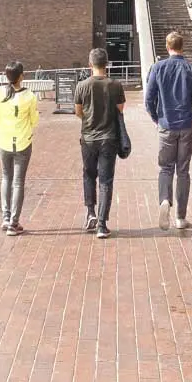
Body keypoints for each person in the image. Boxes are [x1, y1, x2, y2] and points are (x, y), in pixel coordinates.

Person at [145, 31, 192, 231]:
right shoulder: (191, 69)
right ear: (183, 47)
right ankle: (181, 218)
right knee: (182, 170)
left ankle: (164, 200)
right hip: (186, 126)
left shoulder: (158, 68)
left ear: (167, 46)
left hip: (166, 125)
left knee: (165, 168)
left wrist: (157, 119)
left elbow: (149, 99)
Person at [74, 48, 125, 240]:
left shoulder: (82, 85)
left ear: (90, 65)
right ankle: (102, 225)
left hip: (88, 138)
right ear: (107, 64)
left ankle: (90, 213)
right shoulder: (115, 85)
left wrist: (89, 119)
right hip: (109, 138)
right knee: (106, 181)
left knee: (88, 175)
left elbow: (78, 111)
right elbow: (120, 110)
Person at [0, 61, 39, 236]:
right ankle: (14, 223)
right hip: (23, 142)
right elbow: (34, 120)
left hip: (3, 141)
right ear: (21, 76)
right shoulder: (29, 96)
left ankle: (6, 217)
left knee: (6, 178)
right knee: (18, 182)